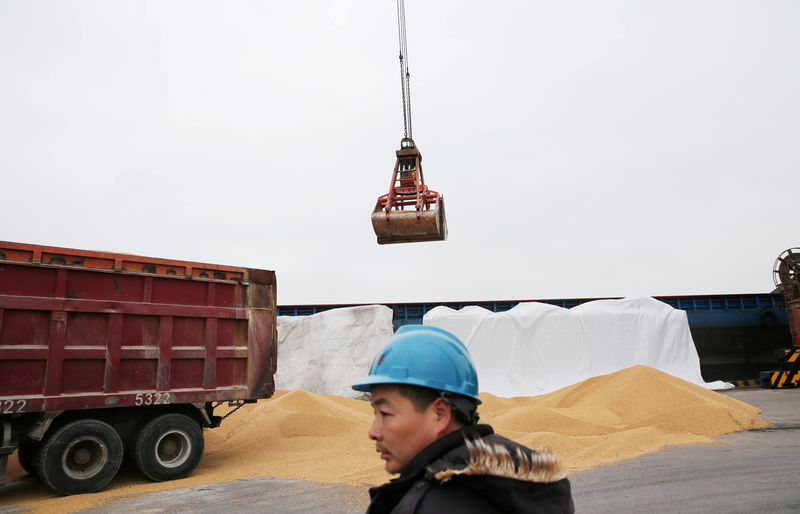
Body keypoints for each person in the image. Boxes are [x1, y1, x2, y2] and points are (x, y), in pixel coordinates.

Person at [352, 325, 574, 513]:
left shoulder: (434, 505)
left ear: (440, 415)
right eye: (375, 413)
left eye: (385, 414)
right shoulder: (520, 490)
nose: (374, 431)